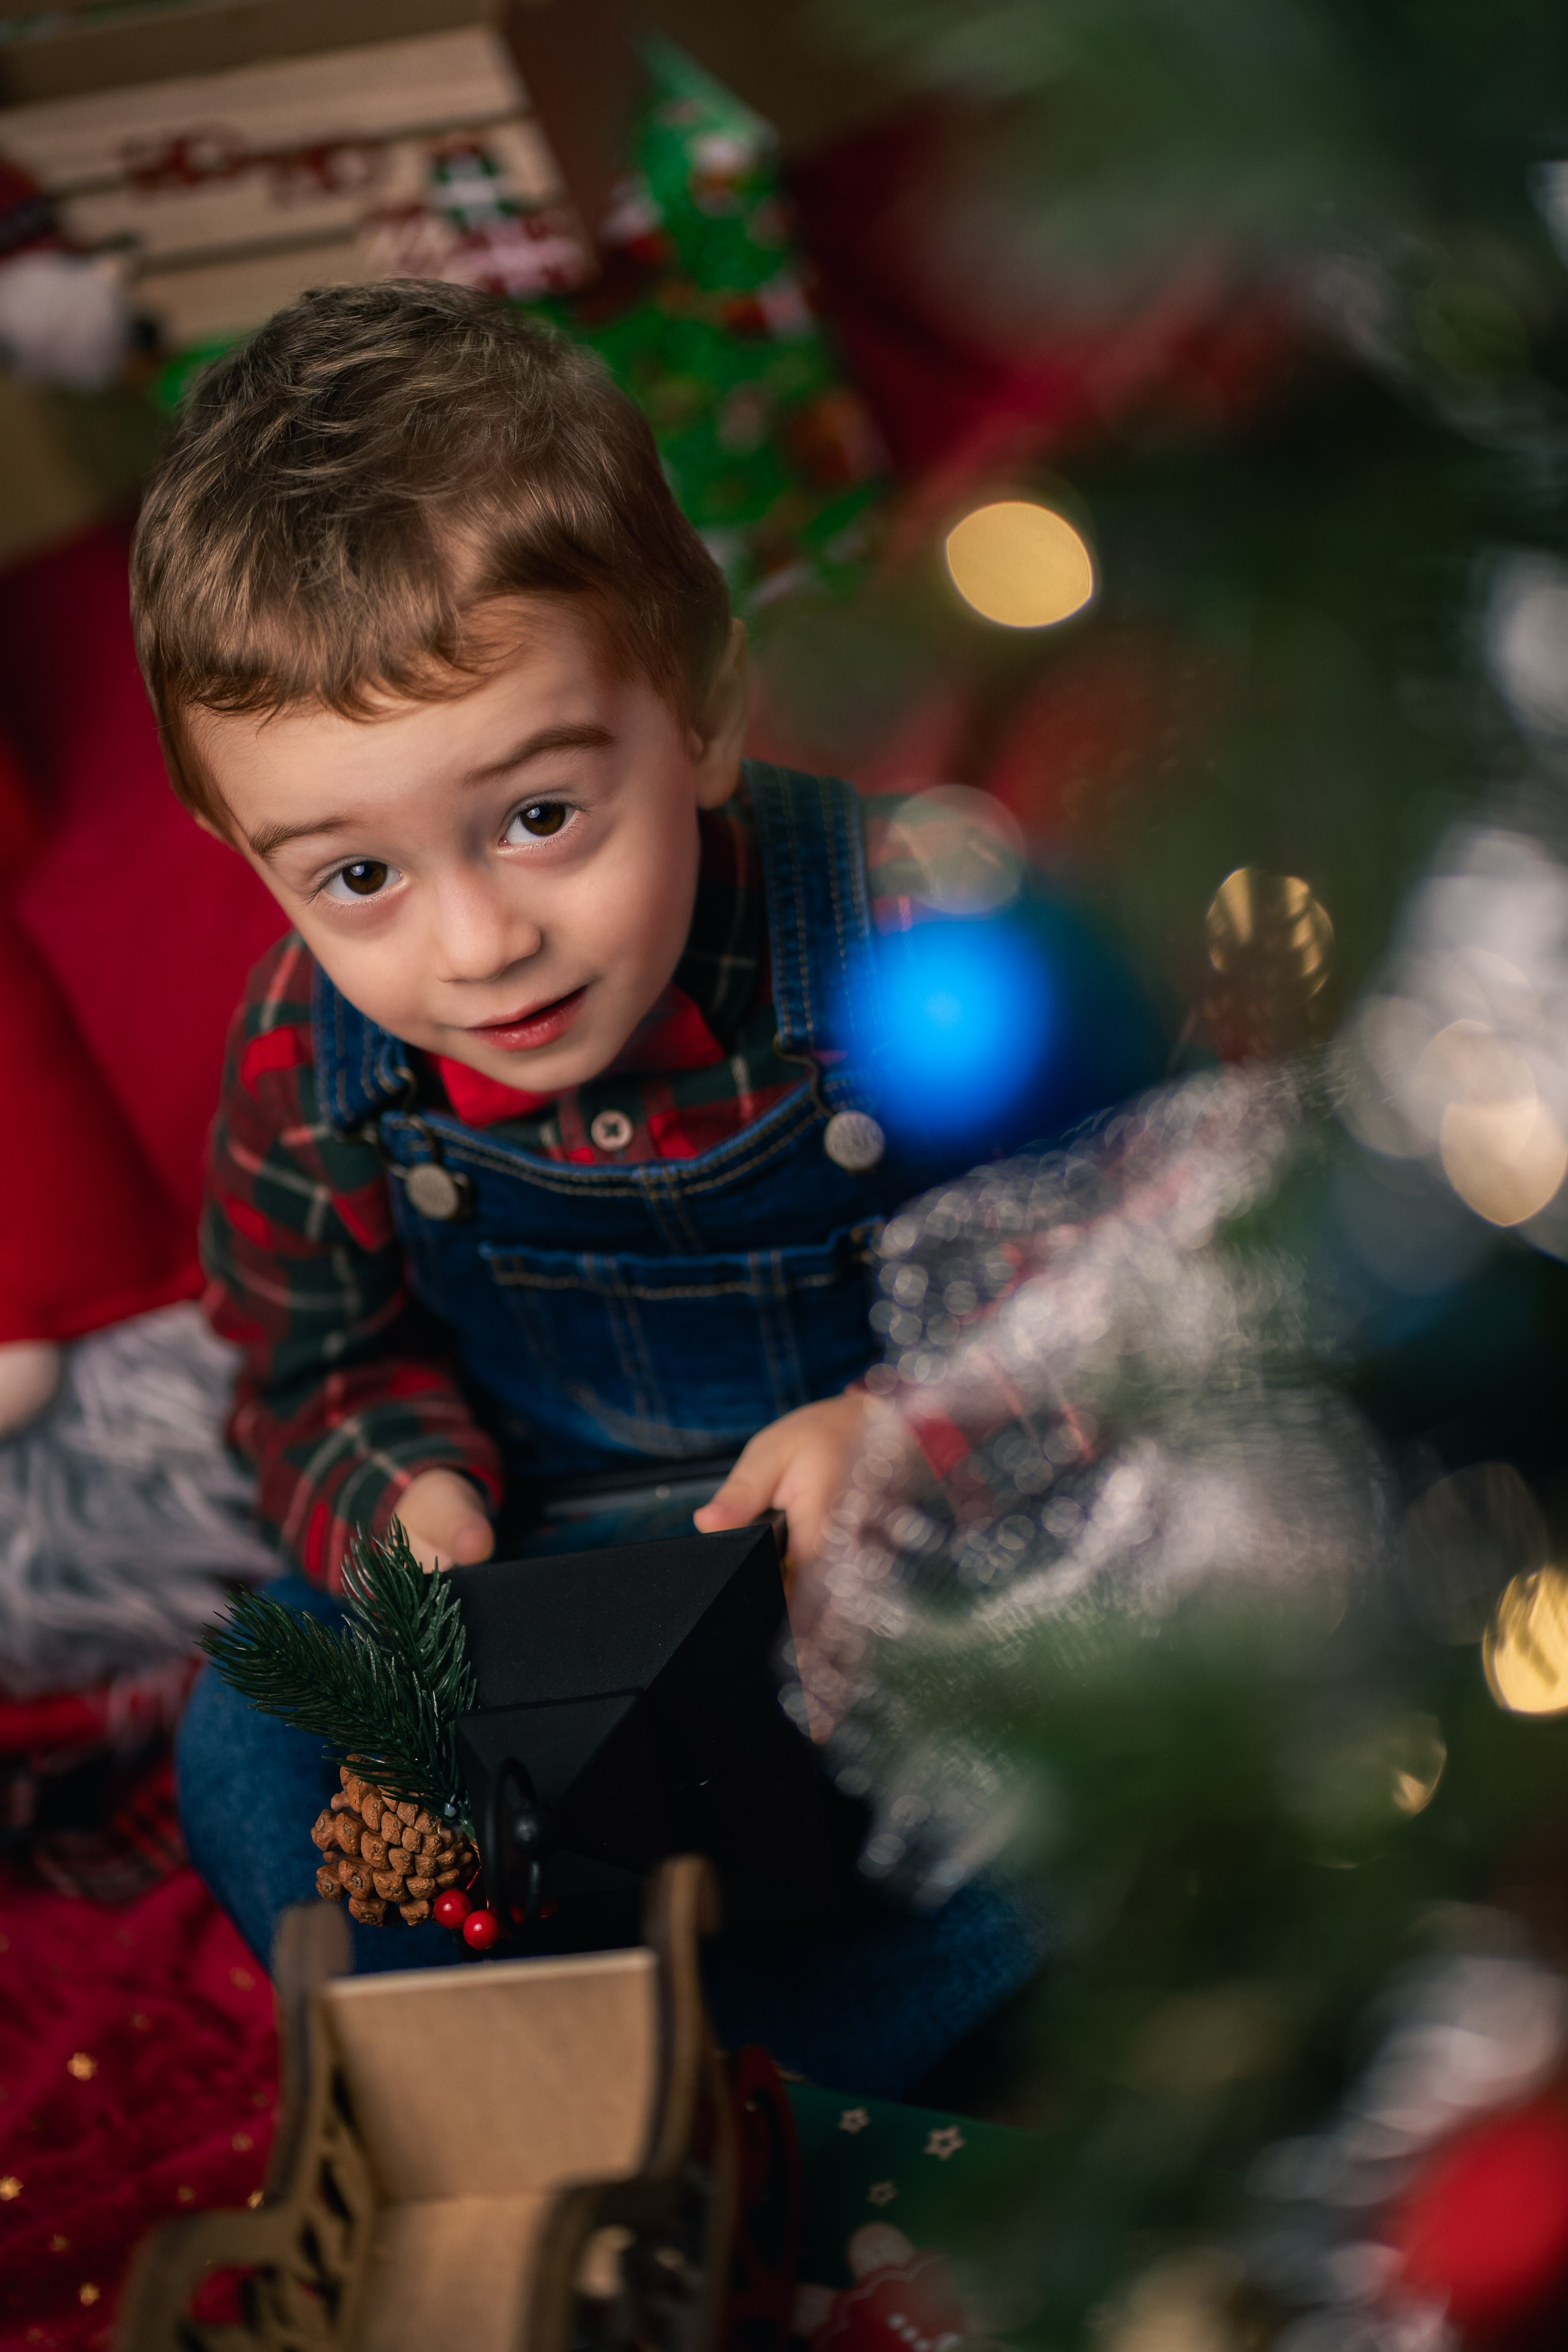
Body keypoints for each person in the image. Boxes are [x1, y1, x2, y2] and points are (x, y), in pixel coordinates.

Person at [136, 279, 1160, 2094]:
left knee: (1172, 1672)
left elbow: (1132, 1239)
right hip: (566, 1597)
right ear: (246, 857)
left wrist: (910, 1425)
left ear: (694, 708)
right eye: (354, 876)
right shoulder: (309, 1059)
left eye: (540, 816)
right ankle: (601, 2050)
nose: (476, 941)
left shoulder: (911, 928)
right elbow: (303, 1371)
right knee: (254, 1727)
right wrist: (401, 1503)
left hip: (915, 1566)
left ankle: (842, 2053)